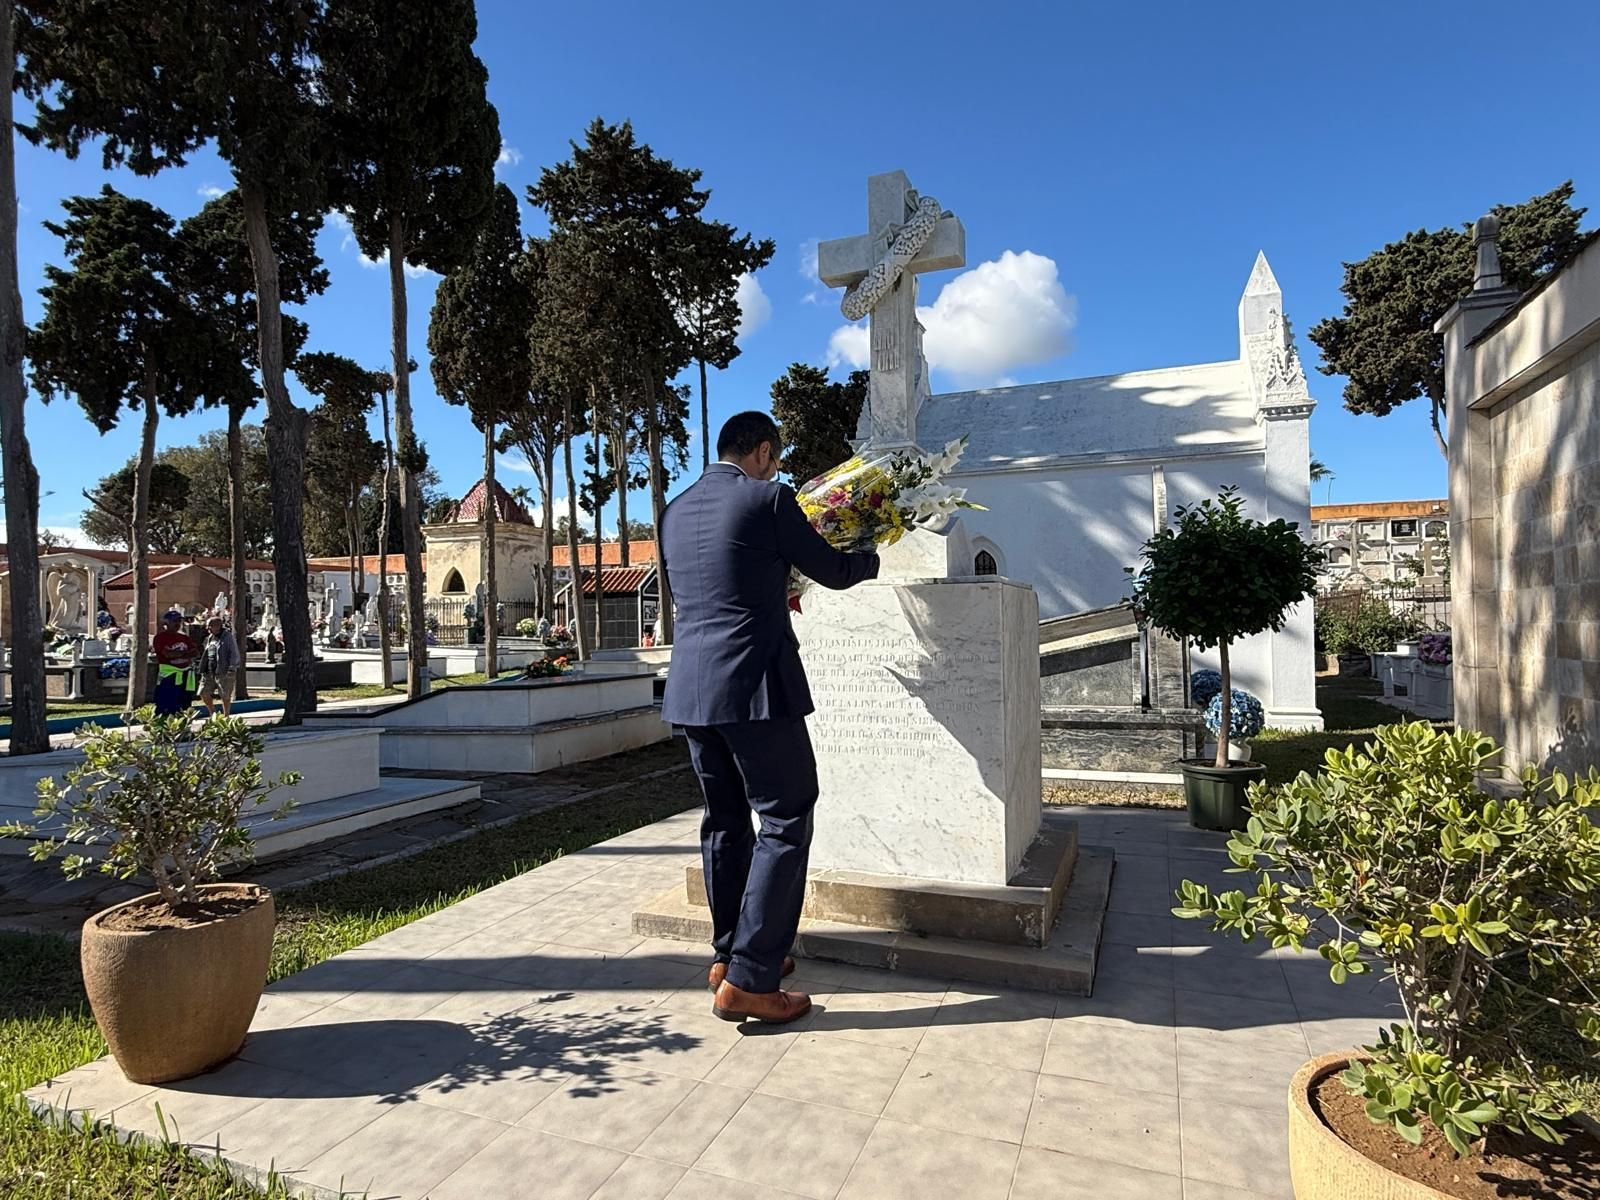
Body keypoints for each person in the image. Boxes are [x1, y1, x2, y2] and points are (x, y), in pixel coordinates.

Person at [660, 410, 880, 1025]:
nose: (775, 468)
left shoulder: (675, 510)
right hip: (754, 685)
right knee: (785, 815)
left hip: (692, 690)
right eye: (775, 459)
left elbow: (709, 589)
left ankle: (729, 955)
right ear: (762, 452)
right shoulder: (770, 499)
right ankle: (751, 980)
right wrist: (873, 556)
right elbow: (832, 570)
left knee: (724, 821)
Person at [151, 610, 200, 716]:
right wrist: (185, 653)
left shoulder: (184, 638)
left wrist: (178, 654)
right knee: (166, 704)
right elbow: (167, 654)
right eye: (174, 621)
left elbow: (196, 652)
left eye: (179, 621)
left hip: (185, 675)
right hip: (169, 676)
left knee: (184, 705)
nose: (177, 623)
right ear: (167, 623)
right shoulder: (160, 638)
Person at [198, 615, 241, 717]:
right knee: (203, 692)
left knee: (225, 695)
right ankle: (213, 714)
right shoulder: (210, 638)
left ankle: (226, 716)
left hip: (224, 671)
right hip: (209, 671)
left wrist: (232, 667)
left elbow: (234, 653)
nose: (207, 628)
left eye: (210, 626)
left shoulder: (228, 637)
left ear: (217, 626)